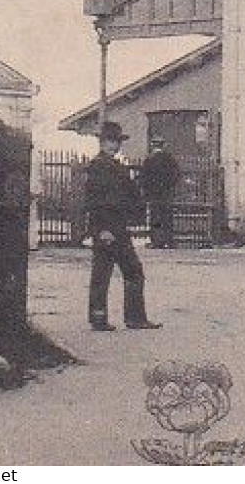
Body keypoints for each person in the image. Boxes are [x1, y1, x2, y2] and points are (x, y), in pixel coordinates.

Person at [83, 120, 160, 331]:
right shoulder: (99, 167)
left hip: (115, 226)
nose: (113, 145)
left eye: (116, 141)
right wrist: (103, 229)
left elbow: (129, 195)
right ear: (101, 142)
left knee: (115, 272)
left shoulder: (113, 166)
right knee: (122, 272)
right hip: (109, 227)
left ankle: (109, 318)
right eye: (109, 141)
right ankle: (125, 318)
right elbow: (94, 201)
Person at [139, 136, 180, 249]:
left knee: (155, 216)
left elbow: (144, 177)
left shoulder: (149, 159)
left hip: (154, 193)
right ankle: (169, 240)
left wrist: (146, 190)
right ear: (163, 145)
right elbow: (176, 174)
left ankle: (157, 241)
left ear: (152, 145)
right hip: (166, 192)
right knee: (167, 216)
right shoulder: (169, 158)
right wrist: (170, 186)